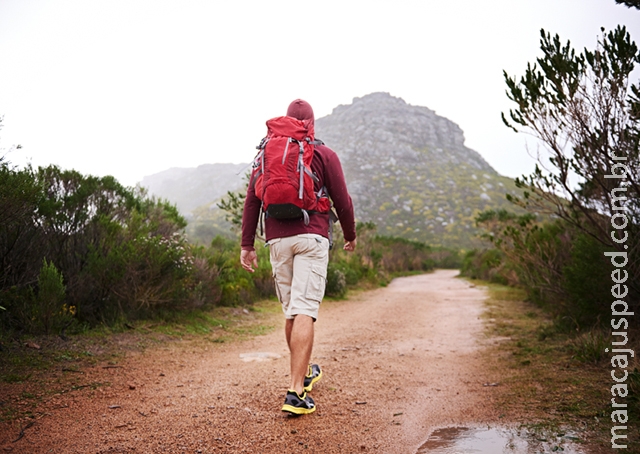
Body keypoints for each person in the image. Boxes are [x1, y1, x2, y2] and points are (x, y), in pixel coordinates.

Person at [240, 99, 357, 415]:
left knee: (292, 311)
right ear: (311, 124)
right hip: (311, 236)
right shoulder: (323, 153)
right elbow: (342, 200)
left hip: (277, 239)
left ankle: (303, 373)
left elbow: (252, 200)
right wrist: (350, 234)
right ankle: (295, 393)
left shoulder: (267, 154)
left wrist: (246, 245)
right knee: (305, 309)